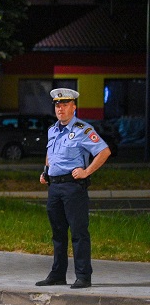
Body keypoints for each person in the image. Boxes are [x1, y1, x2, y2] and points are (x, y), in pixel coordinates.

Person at [37, 88, 111, 289]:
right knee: (58, 233)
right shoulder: (53, 130)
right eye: (57, 105)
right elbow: (50, 154)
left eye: (65, 105)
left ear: (74, 107)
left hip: (73, 187)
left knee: (78, 232)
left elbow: (104, 152)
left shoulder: (82, 130)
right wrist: (46, 171)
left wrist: (87, 172)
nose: (60, 109)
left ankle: (83, 276)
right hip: (55, 187)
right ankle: (58, 274)